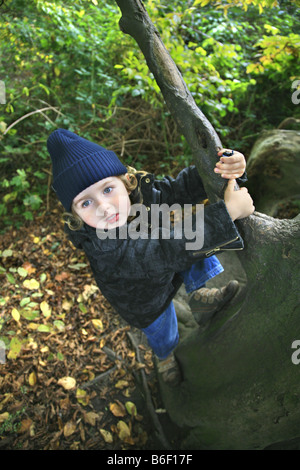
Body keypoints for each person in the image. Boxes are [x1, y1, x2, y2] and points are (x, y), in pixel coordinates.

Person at [47, 128, 254, 386]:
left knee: (189, 239)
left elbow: (179, 188)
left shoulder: (141, 193)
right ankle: (164, 357)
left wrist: (226, 167)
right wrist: (228, 213)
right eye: (85, 203)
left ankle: (199, 297)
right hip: (144, 300)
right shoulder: (103, 247)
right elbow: (165, 250)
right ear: (75, 214)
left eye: (108, 189)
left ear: (125, 181)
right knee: (163, 332)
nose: (104, 206)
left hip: (168, 266)